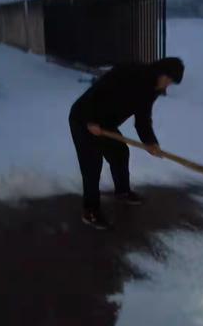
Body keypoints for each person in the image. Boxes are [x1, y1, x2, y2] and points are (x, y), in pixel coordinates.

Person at [69, 57, 184, 229]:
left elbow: (143, 120)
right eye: (168, 80)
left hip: (106, 124)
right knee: (92, 165)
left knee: (119, 153)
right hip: (84, 118)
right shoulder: (131, 72)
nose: (167, 86)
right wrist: (90, 120)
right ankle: (90, 211)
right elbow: (99, 89)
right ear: (161, 72)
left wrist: (150, 142)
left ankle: (122, 192)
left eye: (170, 83)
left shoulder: (151, 90)